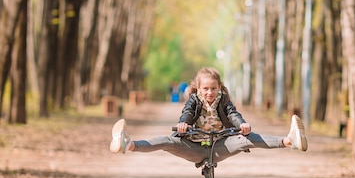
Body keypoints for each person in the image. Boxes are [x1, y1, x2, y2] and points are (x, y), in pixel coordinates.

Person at [109, 66, 308, 165]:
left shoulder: (224, 100)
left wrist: (243, 124)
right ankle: (129, 144)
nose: (210, 92)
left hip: (220, 146)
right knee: (166, 141)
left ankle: (290, 141)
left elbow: (233, 114)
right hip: (193, 147)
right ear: (199, 88)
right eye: (205, 88)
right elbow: (187, 113)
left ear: (219, 87)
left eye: (213, 88)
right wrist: (183, 125)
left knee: (247, 139)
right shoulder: (194, 100)